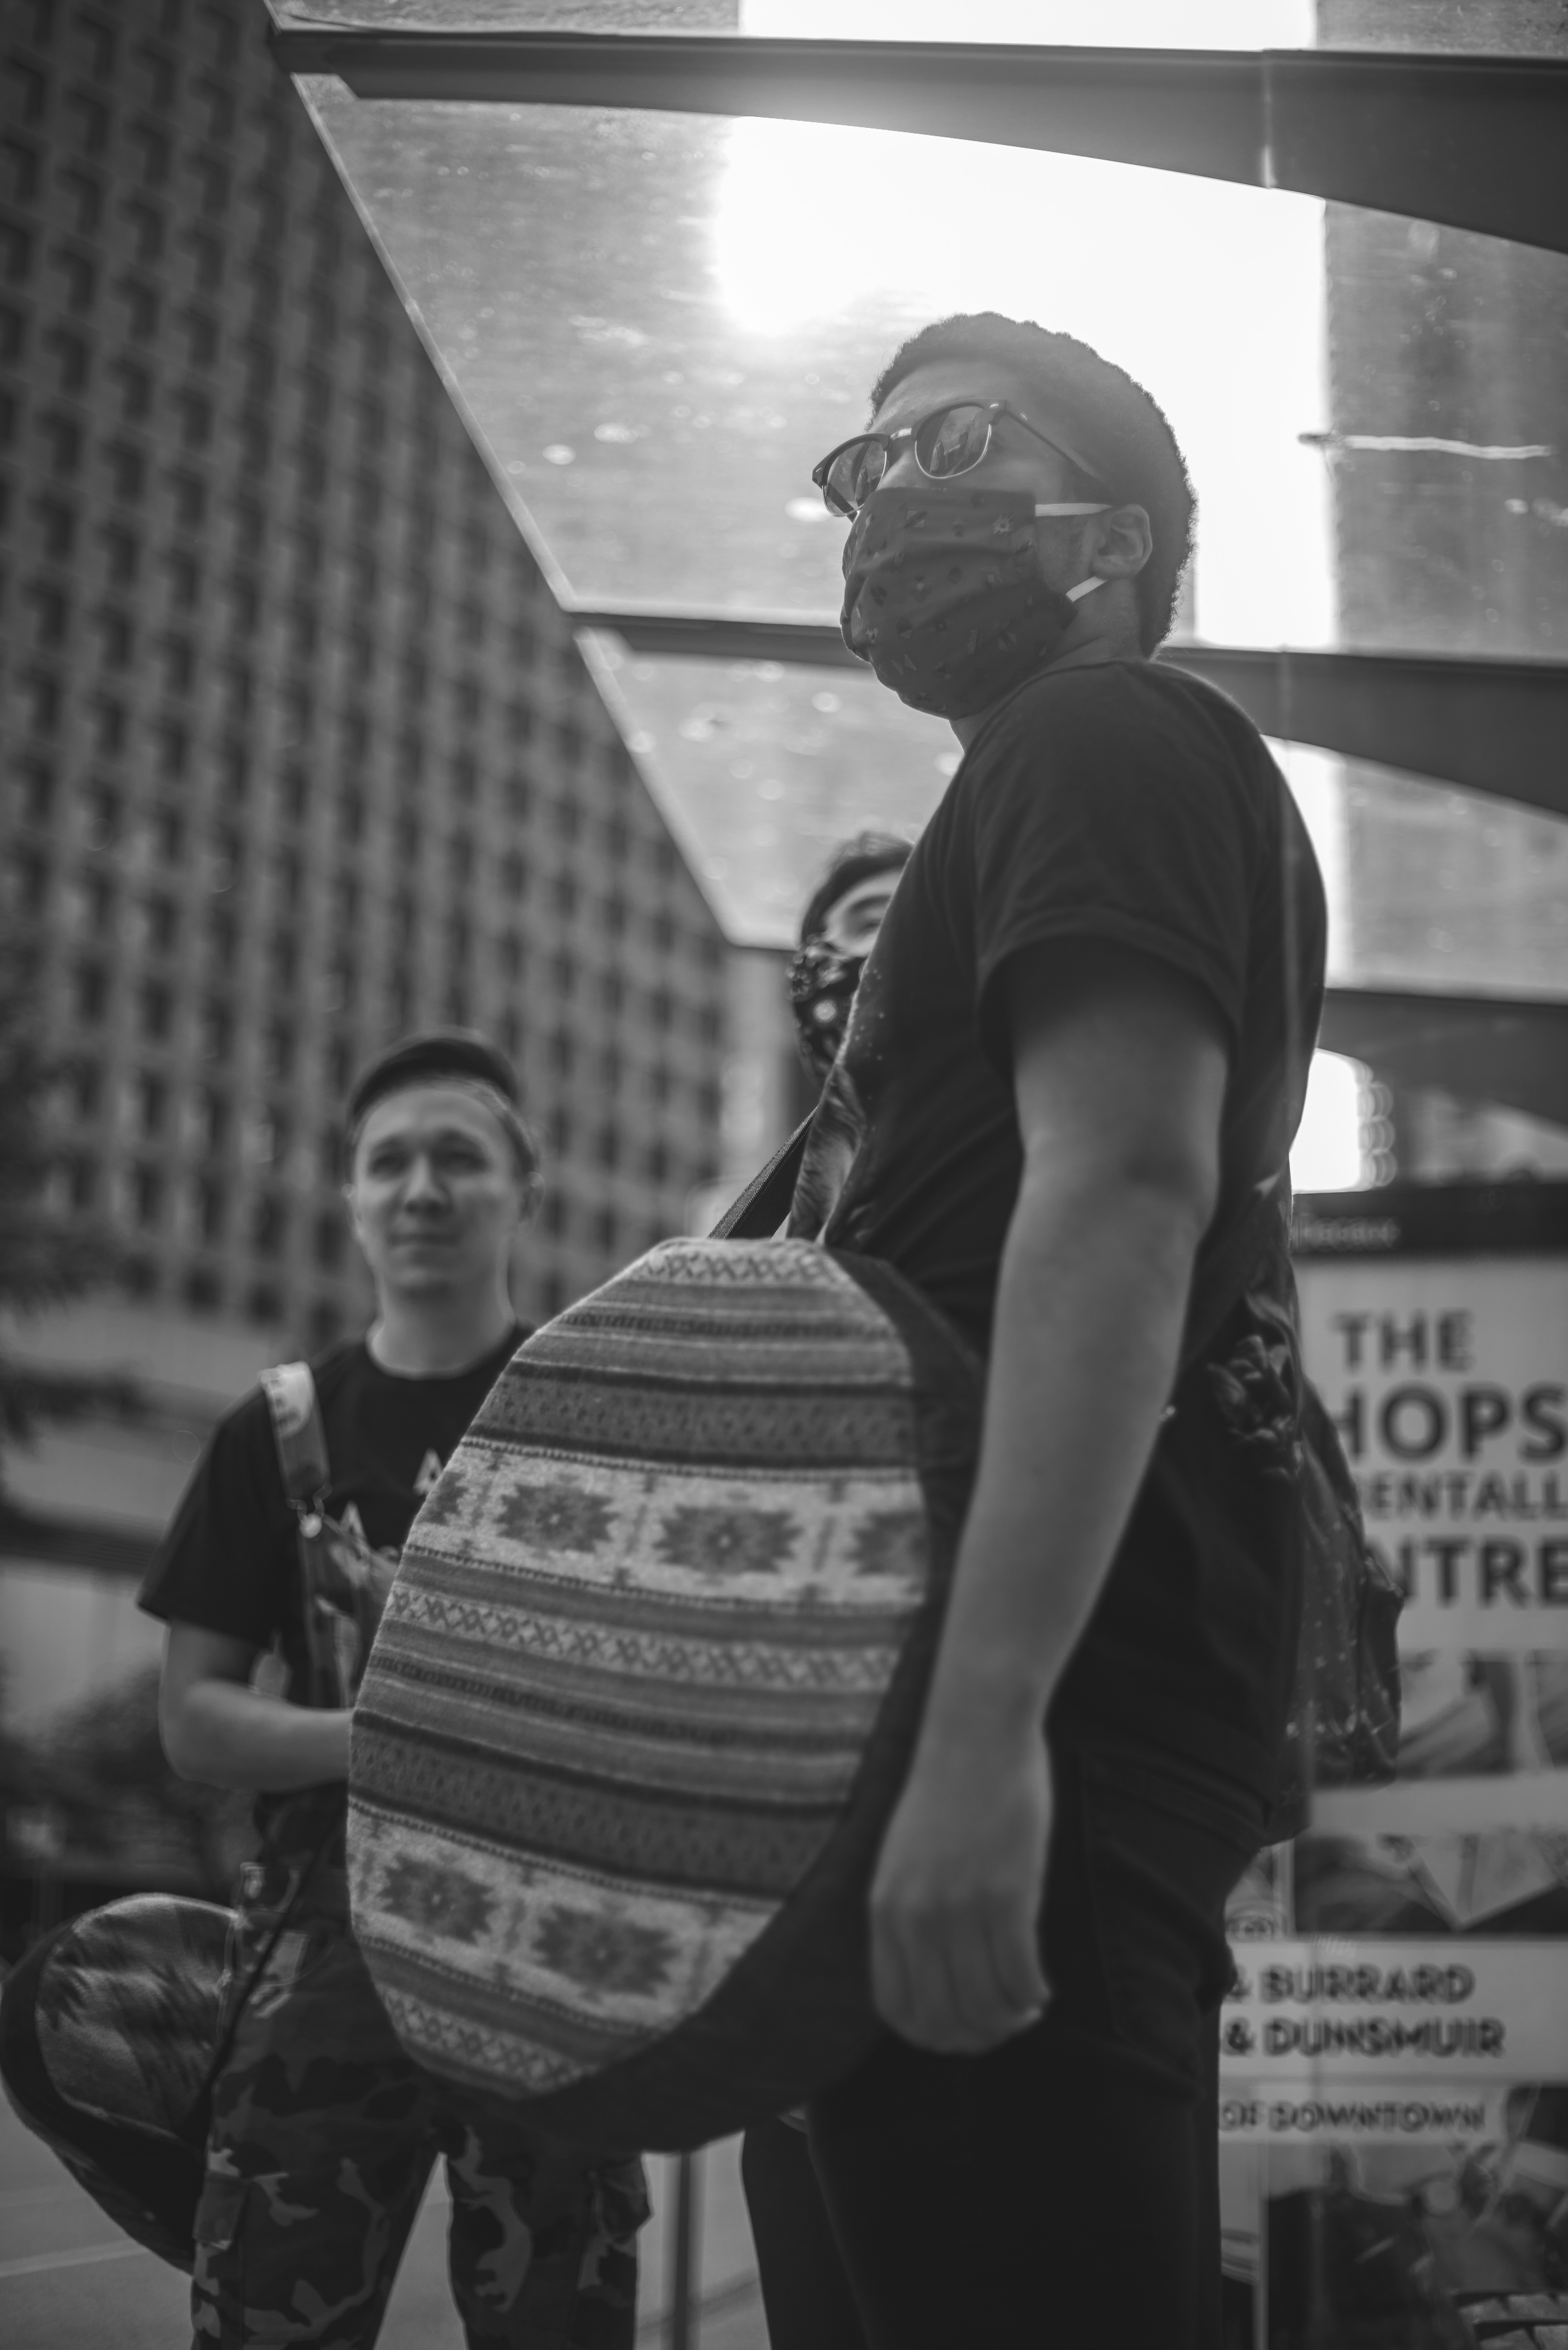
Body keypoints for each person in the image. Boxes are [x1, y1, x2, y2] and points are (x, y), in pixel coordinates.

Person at [786, 313, 1328, 2345]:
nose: (885, 498)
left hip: (1039, 1722)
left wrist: (988, 1731)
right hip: (976, 1721)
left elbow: (1120, 1189)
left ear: (1105, 540)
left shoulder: (1101, 739)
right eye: (863, 467)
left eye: (947, 445)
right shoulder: (1029, 791)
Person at [140, 1030, 648, 2350]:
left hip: (545, 1970)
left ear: (523, 1189)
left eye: (459, 1157)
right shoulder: (279, 1425)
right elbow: (193, 1718)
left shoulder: (589, 1408)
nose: (423, 1187)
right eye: (390, 1162)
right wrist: (388, 1741)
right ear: (352, 1197)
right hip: (319, 1965)